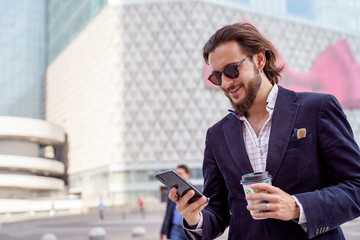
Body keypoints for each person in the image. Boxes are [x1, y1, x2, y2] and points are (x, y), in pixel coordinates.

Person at [168, 22, 360, 240]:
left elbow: (356, 185)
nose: (226, 82)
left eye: (232, 69)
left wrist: (298, 207)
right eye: (217, 76)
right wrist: (195, 218)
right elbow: (218, 212)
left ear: (259, 59)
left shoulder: (317, 109)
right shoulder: (216, 135)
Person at [160, 165, 192, 240]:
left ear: (188, 175)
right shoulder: (172, 192)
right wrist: (163, 230)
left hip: (191, 230)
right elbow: (168, 212)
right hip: (176, 230)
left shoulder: (197, 192)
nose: (178, 176)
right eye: (176, 174)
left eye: (180, 173)